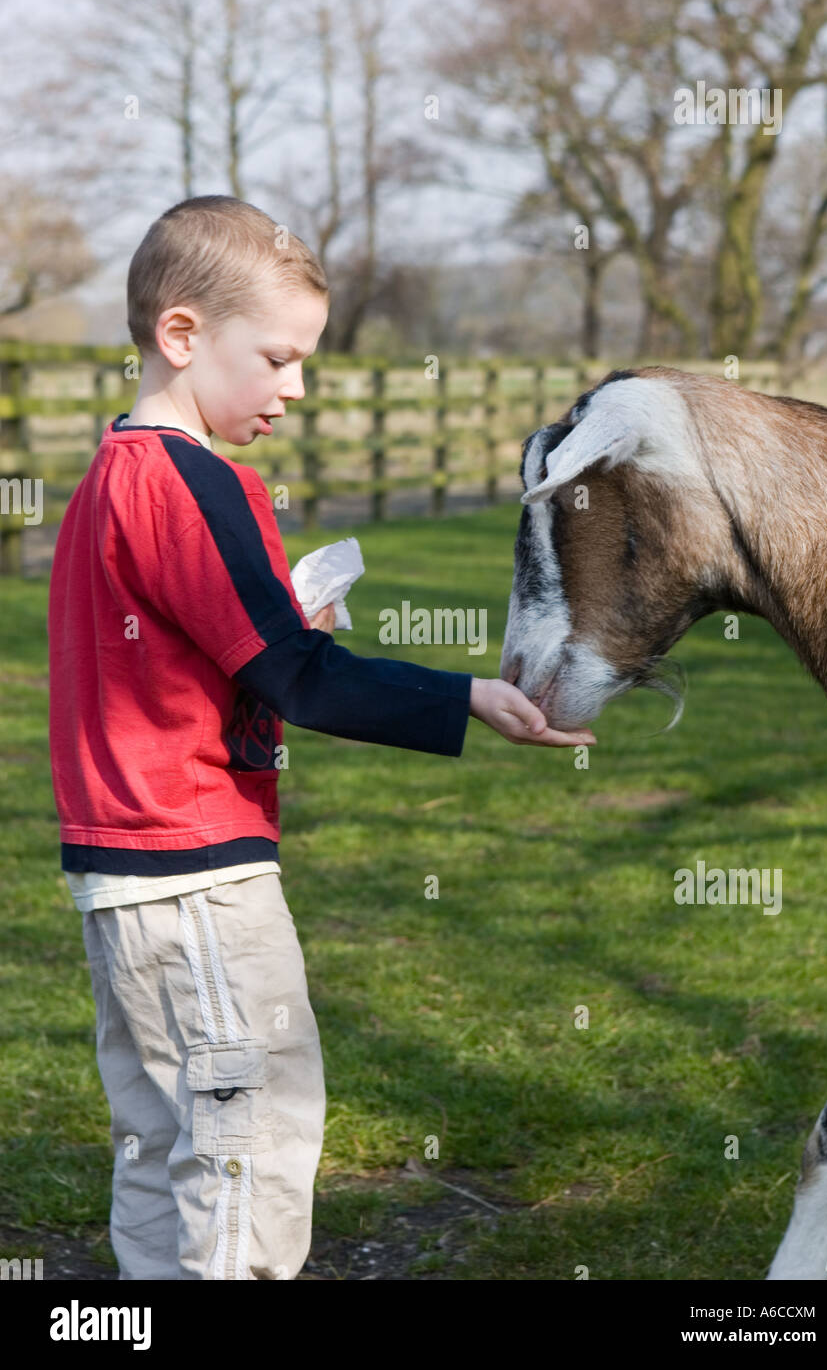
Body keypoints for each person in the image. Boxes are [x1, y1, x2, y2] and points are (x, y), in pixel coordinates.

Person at [46, 194, 596, 1281]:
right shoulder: (196, 483)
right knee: (252, 1137)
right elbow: (296, 680)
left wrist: (286, 628)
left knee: (166, 1138)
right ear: (182, 335)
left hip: (121, 882)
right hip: (194, 874)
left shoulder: (112, 474)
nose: (295, 387)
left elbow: (202, 654)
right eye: (280, 356)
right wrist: (464, 697)